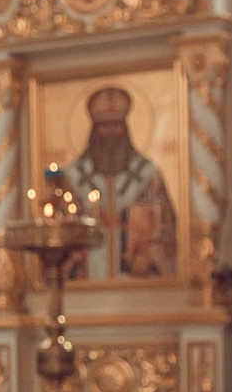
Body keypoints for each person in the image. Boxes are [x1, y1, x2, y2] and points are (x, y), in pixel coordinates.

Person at [53, 85, 176, 278]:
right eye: (104, 126)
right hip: (84, 284)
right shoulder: (73, 176)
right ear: (93, 130)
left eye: (117, 125)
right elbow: (59, 229)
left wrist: (145, 250)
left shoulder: (148, 174)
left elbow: (167, 229)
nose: (111, 132)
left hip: (138, 284)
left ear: (126, 127)